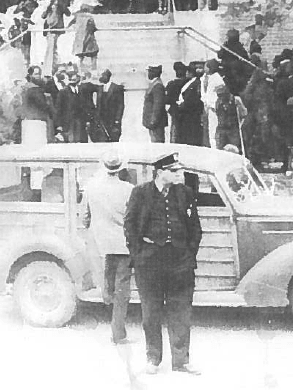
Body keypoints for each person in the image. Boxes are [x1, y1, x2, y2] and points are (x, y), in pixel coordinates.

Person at [124, 152, 202, 376]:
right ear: (160, 173)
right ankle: (153, 358)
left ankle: (181, 360)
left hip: (180, 262)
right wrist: (138, 254)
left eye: (179, 170)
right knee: (151, 312)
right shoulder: (140, 193)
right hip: (149, 261)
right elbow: (129, 225)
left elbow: (195, 226)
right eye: (174, 171)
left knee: (181, 311)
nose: (180, 174)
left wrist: (189, 253)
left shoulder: (185, 193)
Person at [81, 149, 135, 345]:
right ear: (120, 169)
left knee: (106, 284)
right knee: (122, 290)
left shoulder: (90, 188)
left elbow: (84, 218)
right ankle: (118, 333)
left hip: (100, 245)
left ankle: (105, 304)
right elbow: (133, 218)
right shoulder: (128, 189)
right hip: (123, 245)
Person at [20, 65, 53, 146]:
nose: (38, 76)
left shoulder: (30, 88)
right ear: (30, 76)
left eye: (39, 74)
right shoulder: (33, 89)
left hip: (32, 120)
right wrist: (48, 100)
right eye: (36, 74)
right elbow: (43, 105)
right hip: (36, 122)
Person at [176, 62, 205, 147]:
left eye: (188, 71)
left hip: (191, 115)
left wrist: (183, 105)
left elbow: (192, 99)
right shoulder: (190, 82)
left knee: (191, 137)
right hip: (186, 115)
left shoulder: (195, 83)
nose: (186, 73)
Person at [55, 72, 87, 143]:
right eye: (70, 78)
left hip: (79, 122)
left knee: (79, 142)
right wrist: (59, 124)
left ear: (78, 79)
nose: (72, 80)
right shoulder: (63, 92)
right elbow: (58, 109)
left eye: (74, 78)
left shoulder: (82, 91)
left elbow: (85, 107)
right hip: (68, 123)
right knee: (70, 142)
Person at [217, 29, 251, 95]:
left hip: (229, 71)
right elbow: (246, 57)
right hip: (238, 73)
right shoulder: (240, 47)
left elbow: (220, 55)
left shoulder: (227, 45)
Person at [201, 59, 225, 148]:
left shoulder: (217, 78)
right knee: (210, 129)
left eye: (206, 66)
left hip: (214, 107)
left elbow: (217, 94)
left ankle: (215, 147)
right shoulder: (208, 78)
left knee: (214, 129)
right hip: (209, 107)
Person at [72, 0, 99, 72]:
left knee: (80, 55)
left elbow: (72, 22)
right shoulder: (89, 17)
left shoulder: (78, 15)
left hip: (79, 38)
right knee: (94, 54)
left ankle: (79, 69)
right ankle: (94, 69)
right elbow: (92, 28)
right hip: (88, 38)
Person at [97, 69, 124, 142]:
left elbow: (120, 105)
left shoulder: (117, 88)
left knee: (114, 139)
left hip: (113, 120)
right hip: (102, 121)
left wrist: (117, 119)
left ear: (107, 76)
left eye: (102, 76)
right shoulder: (100, 88)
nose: (101, 77)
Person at [142, 65, 166, 142]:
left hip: (156, 123)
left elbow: (158, 105)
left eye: (149, 71)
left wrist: (153, 121)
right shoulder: (155, 84)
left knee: (157, 143)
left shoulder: (157, 85)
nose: (148, 74)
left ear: (154, 72)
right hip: (153, 122)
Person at [165, 62, 188, 143]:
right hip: (186, 111)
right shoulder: (188, 82)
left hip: (175, 110)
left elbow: (167, 99)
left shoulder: (172, 84)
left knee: (175, 132)